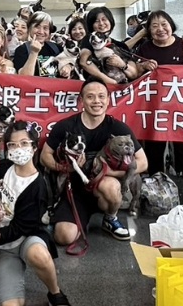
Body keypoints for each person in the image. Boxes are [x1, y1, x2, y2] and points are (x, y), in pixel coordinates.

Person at [0, 122, 73, 306]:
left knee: (38, 254)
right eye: (12, 144)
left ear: (34, 147)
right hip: (3, 246)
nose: (18, 149)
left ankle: (55, 293)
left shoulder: (38, 186)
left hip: (24, 238)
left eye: (24, 143)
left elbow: (21, 228)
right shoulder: (4, 168)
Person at [41, 79, 149, 245]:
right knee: (64, 237)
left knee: (110, 186)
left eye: (101, 96)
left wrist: (110, 172)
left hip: (103, 188)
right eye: (90, 97)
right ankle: (75, 218)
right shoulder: (66, 126)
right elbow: (45, 155)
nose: (97, 101)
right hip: (75, 190)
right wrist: (65, 168)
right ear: (81, 100)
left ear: (108, 100)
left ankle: (110, 218)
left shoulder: (118, 128)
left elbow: (143, 162)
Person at [134, 10, 183, 216]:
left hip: (182, 110)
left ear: (171, 25)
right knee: (154, 151)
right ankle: (157, 193)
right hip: (156, 109)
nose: (160, 29)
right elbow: (135, 73)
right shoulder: (145, 48)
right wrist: (142, 66)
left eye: (164, 24)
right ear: (149, 30)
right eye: (155, 26)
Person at [77, 7, 141, 85]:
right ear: (91, 25)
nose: (101, 23)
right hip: (96, 86)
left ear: (110, 21)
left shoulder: (120, 45)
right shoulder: (89, 40)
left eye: (104, 19)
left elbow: (134, 74)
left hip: (121, 88)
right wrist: (107, 80)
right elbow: (84, 62)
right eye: (96, 21)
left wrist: (122, 64)